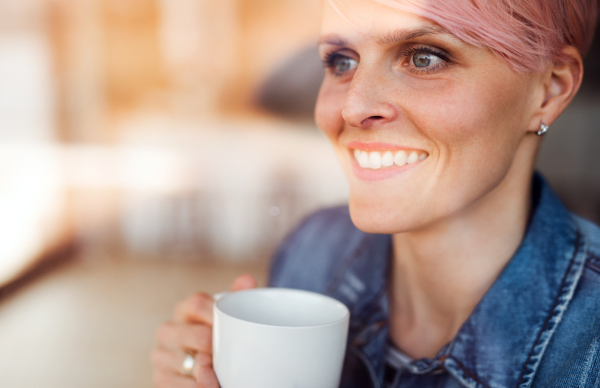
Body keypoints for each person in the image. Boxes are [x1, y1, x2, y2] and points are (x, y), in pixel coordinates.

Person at [151, 0, 600, 386]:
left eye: (424, 58)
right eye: (341, 61)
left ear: (550, 89)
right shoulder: (313, 250)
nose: (352, 106)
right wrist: (202, 364)